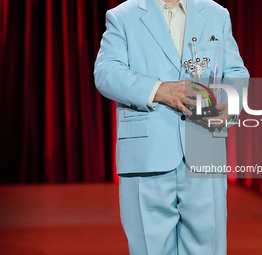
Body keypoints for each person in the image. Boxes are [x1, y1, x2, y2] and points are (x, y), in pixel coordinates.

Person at [94, 0, 249, 254]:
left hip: (204, 147)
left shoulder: (216, 14)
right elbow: (106, 72)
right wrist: (160, 90)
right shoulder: (122, 16)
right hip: (147, 155)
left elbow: (236, 71)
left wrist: (229, 105)